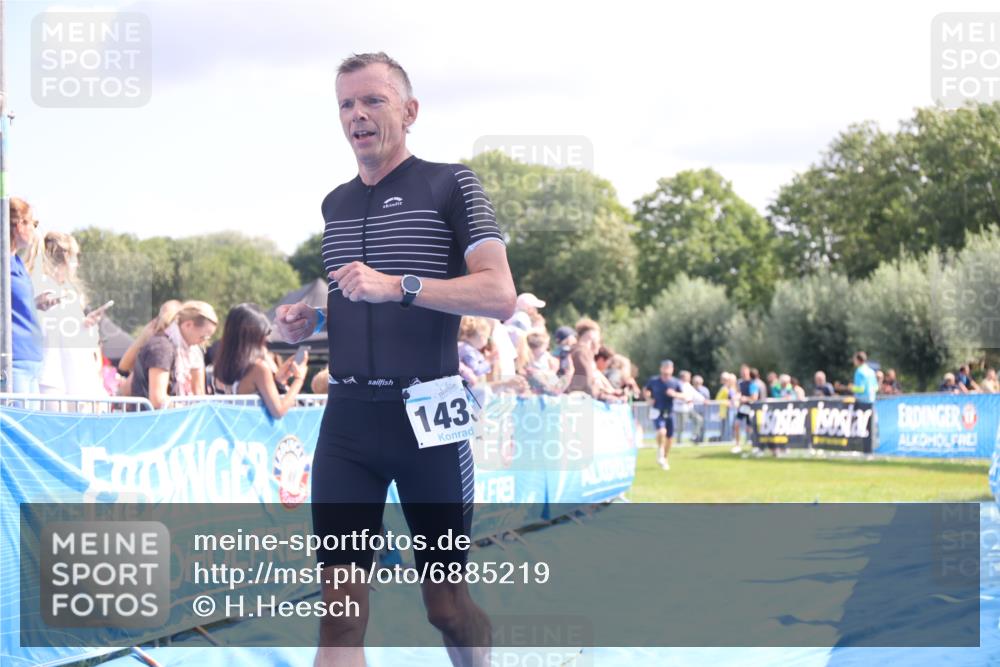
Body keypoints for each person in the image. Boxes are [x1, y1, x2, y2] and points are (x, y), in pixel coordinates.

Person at [271, 52, 514, 667]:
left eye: (373, 100)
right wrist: (311, 323)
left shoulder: (451, 184)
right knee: (339, 620)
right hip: (349, 421)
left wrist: (398, 285)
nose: (357, 114)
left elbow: (499, 295)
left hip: (429, 415)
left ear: (409, 111)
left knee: (446, 606)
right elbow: (358, 303)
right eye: (346, 104)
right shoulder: (335, 203)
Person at [34, 232, 106, 399]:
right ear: (65, 259)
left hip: (70, 374)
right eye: (75, 258)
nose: (77, 264)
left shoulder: (67, 291)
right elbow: (53, 330)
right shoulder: (44, 287)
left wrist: (85, 324)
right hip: (52, 373)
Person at [213, 303, 308, 418]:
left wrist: (277, 380)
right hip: (253, 427)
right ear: (255, 335)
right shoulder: (258, 368)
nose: (266, 339)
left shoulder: (221, 364)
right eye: (265, 333)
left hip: (229, 426)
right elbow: (279, 411)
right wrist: (299, 379)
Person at [128, 301, 218, 408]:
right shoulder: (162, 348)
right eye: (203, 337)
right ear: (188, 325)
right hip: (151, 417)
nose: (204, 342)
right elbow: (158, 399)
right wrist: (188, 410)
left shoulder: (178, 348)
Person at [7, 197, 53, 395]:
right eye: (33, 224)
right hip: (13, 360)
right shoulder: (3, 263)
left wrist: (35, 304)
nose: (35, 230)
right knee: (16, 416)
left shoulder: (16, 262)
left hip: (31, 360)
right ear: (19, 225)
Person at [643, 359, 685, 470]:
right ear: (661, 369)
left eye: (669, 368)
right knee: (662, 432)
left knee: (670, 438)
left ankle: (665, 458)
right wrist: (648, 398)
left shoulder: (675, 382)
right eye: (665, 367)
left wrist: (674, 394)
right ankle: (660, 449)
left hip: (669, 412)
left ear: (672, 369)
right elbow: (646, 390)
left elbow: (684, 395)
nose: (666, 370)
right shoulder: (654, 381)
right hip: (657, 411)